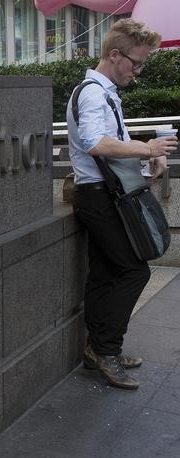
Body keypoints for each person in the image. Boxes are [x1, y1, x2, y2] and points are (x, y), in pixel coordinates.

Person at [67, 18, 178, 389]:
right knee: (135, 272)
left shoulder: (105, 92)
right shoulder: (93, 93)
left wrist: (147, 159)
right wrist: (148, 147)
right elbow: (96, 143)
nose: (139, 71)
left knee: (105, 272)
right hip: (99, 197)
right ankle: (106, 351)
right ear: (115, 55)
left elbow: (111, 148)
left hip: (105, 194)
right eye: (137, 62)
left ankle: (98, 348)